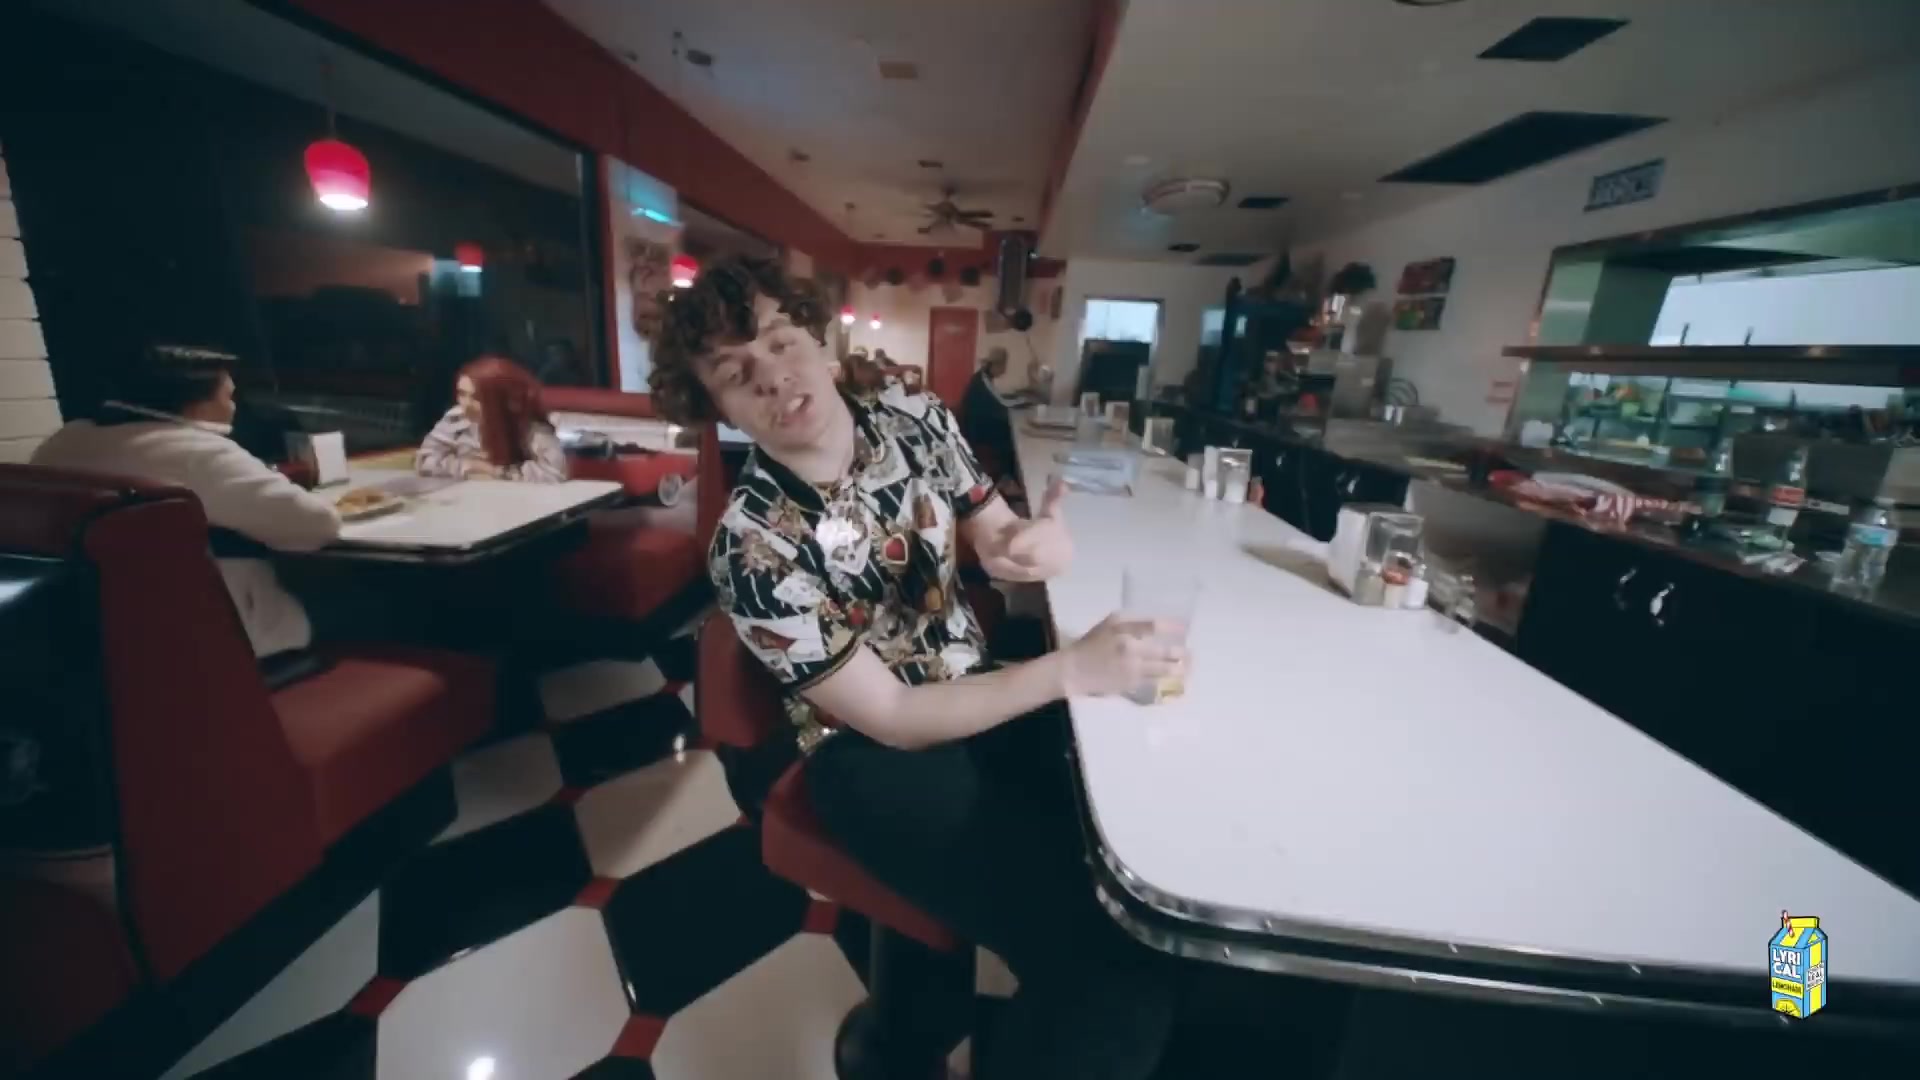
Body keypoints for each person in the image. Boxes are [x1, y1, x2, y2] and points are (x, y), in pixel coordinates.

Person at [650, 256, 1180, 1080]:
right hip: (869, 757)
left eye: (781, 341)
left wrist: (1029, 545)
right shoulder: (751, 546)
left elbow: (994, 535)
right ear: (714, 407)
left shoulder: (915, 417)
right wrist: (1068, 670)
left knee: (1147, 856)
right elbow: (895, 717)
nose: (773, 377)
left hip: (980, 690)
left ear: (816, 338)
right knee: (1107, 973)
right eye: (733, 373)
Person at [30, 345, 342, 658]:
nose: (234, 407)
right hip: (216, 638)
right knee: (356, 600)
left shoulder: (61, 444)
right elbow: (316, 526)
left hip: (90, 637)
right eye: (229, 396)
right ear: (197, 405)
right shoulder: (198, 452)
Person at [417, 356, 568, 482]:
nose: (466, 405)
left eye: (477, 398)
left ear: (500, 399)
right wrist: (469, 466)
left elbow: (554, 473)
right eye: (462, 394)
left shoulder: (529, 427)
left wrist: (496, 472)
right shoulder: (456, 419)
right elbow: (425, 460)